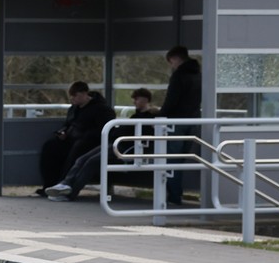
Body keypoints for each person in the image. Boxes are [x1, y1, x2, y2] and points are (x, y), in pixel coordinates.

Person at [51, 88, 160, 201]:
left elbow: (139, 134)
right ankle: (65, 184)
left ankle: (70, 193)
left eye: (137, 99)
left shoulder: (150, 117)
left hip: (125, 147)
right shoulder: (137, 116)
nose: (134, 102)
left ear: (145, 99)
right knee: (81, 159)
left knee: (91, 162)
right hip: (116, 143)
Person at [37, 81, 115, 192]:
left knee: (77, 149)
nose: (72, 98)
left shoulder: (101, 109)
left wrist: (84, 135)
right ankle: (49, 184)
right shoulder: (74, 109)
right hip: (71, 140)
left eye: (75, 95)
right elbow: (67, 124)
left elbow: (103, 129)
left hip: (88, 143)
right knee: (50, 146)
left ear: (84, 94)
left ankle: (64, 183)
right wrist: (63, 132)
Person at [163, 45, 203, 205]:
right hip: (193, 121)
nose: (172, 66)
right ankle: (175, 194)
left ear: (175, 58)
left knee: (172, 159)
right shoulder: (199, 74)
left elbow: (171, 100)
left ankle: (174, 195)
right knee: (181, 159)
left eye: (171, 62)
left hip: (176, 122)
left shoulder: (179, 75)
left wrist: (159, 116)